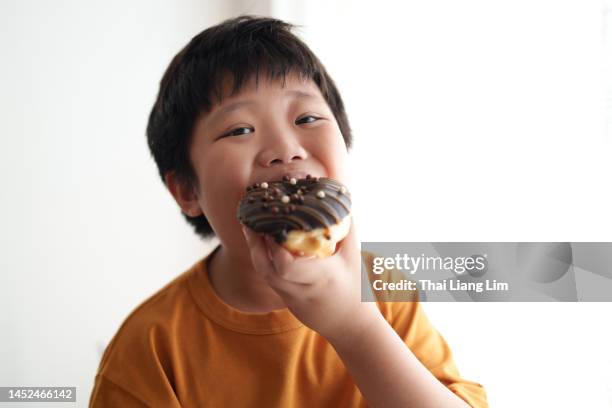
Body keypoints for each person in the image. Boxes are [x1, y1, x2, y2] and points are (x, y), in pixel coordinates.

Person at [89, 15, 488, 407]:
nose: (285, 148)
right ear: (186, 190)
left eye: (307, 118)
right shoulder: (152, 347)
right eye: (239, 130)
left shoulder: (383, 291)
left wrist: (355, 327)